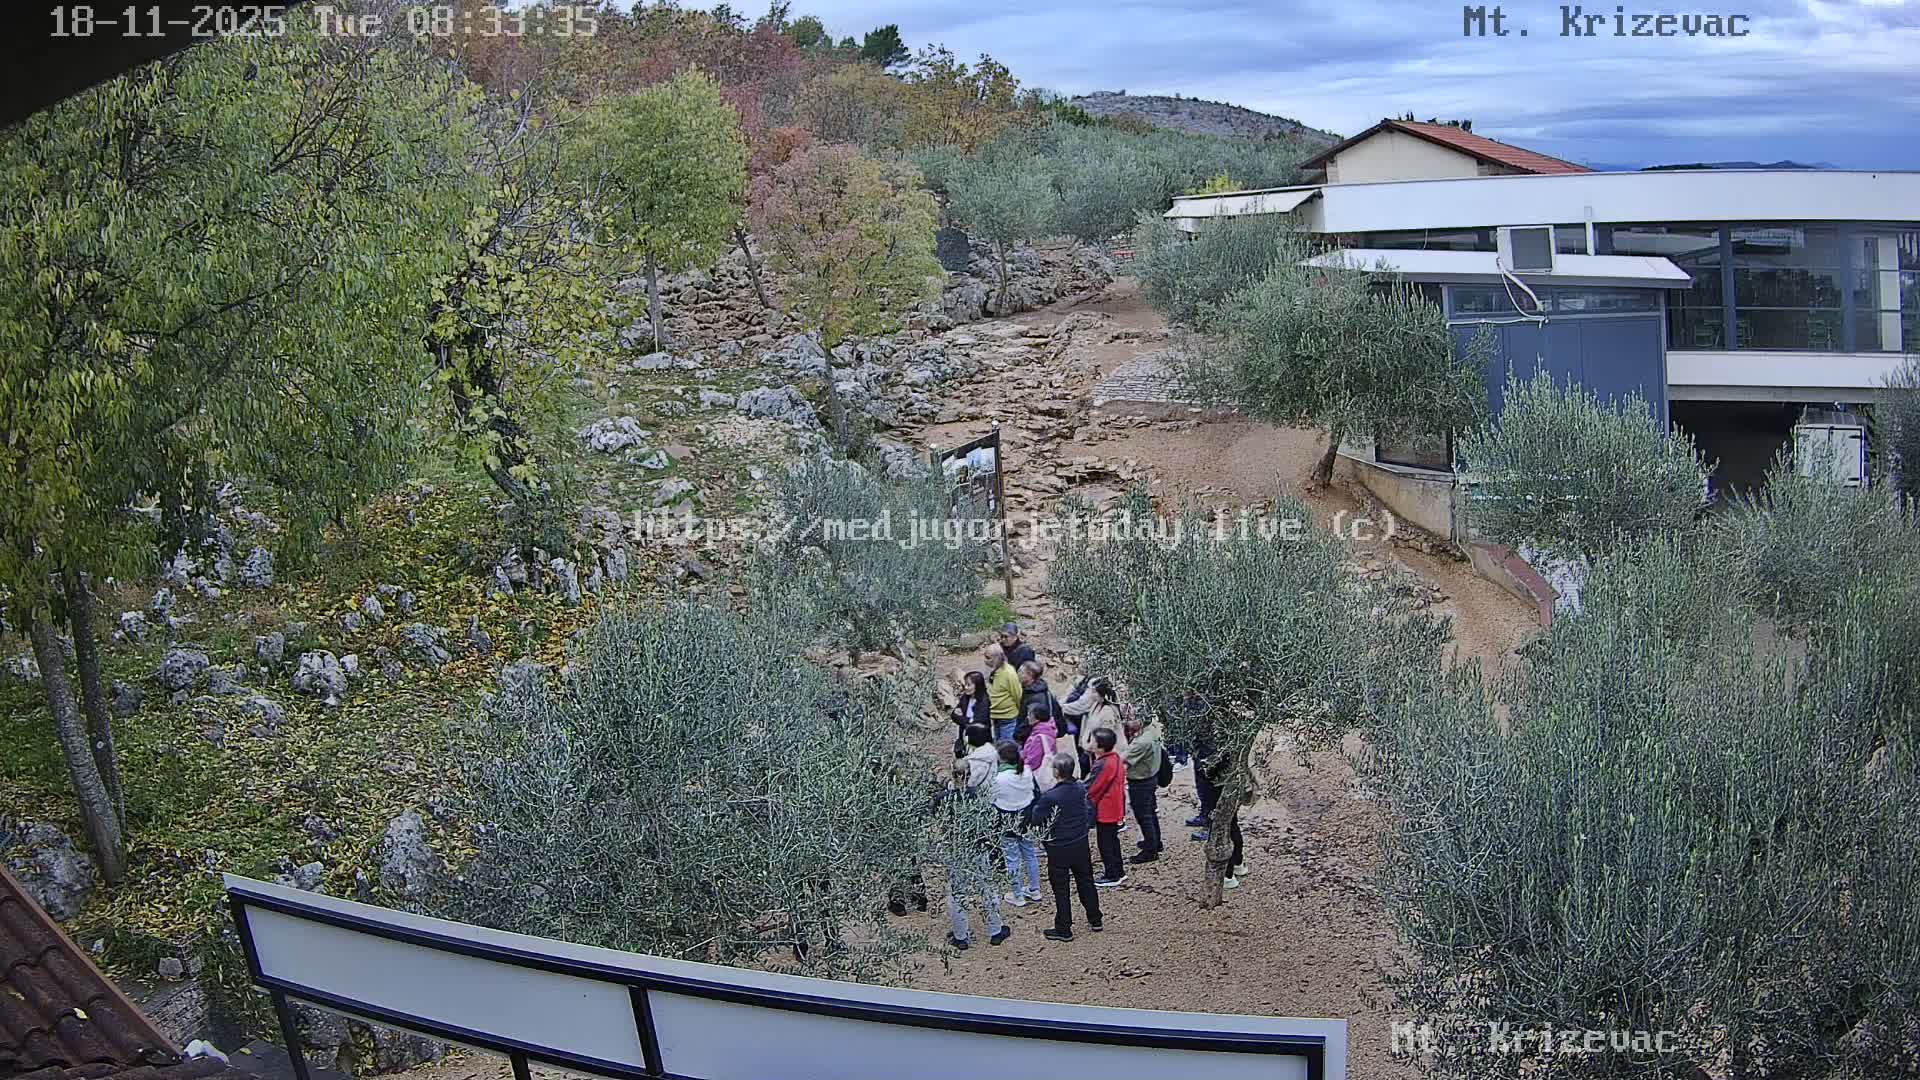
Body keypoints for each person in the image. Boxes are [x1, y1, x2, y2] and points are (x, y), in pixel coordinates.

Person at [1022, 751, 1103, 941]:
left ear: (1057, 772)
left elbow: (1036, 819)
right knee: (1086, 881)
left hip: (1059, 847)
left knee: (1061, 888)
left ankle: (1064, 928)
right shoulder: (1081, 788)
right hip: (1080, 841)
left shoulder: (1050, 797)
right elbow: (1091, 809)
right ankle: (1095, 918)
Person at [941, 760, 1011, 949]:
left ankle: (960, 935)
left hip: (956, 850)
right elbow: (992, 823)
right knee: (987, 888)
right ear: (970, 773)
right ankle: (995, 930)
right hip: (979, 849)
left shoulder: (944, 798)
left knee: (958, 893)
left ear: (952, 773)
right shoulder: (980, 796)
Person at [990, 741, 1044, 906]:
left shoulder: (998, 778)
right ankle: (1035, 890)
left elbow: (992, 799)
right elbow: (1036, 793)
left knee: (1012, 858)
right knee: (1030, 854)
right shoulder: (1026, 771)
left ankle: (1017, 894)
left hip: (1006, 820)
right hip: (1026, 817)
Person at [1086, 728, 1127, 886]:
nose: (1091, 744)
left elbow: (1093, 787)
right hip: (1115, 805)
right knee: (1112, 840)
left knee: (1105, 843)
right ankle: (1119, 870)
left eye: (1093, 741)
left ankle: (1112, 874)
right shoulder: (1115, 757)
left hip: (1106, 809)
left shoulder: (1103, 763)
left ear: (1100, 746)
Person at [1122, 713, 1166, 863]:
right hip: (1150, 778)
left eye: (1132, 719)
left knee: (1144, 816)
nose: (1128, 721)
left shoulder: (1141, 742)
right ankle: (1155, 842)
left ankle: (1150, 851)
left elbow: (1122, 758)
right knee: (1150, 812)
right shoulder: (1152, 732)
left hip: (1141, 782)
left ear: (1141, 721)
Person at [1062, 676, 1124, 776]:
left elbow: (1105, 738)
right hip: (1090, 749)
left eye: (1094, 692)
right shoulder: (1095, 705)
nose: (1091, 694)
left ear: (1102, 694)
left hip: (1098, 752)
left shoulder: (1108, 712)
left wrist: (1089, 748)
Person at [983, 643, 1022, 743]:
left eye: (987, 657)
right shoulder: (994, 670)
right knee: (999, 746)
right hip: (996, 717)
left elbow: (1017, 695)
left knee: (1008, 749)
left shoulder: (1009, 673)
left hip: (1008, 718)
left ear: (996, 658)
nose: (985, 660)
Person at [951, 670, 991, 758]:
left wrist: (963, 719)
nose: (965, 687)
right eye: (965, 684)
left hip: (979, 742)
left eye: (969, 685)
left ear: (977, 686)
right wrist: (968, 720)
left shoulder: (984, 702)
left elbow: (978, 723)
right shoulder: (965, 698)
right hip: (963, 737)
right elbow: (954, 715)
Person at [1021, 703, 1060, 790]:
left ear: (1037, 718)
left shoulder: (1039, 736)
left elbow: (1033, 761)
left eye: (1030, 715)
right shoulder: (1048, 729)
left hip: (1037, 777)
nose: (1027, 717)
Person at [1017, 660, 1059, 740]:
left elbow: (1031, 720)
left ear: (1030, 676)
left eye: (1021, 672)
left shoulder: (1036, 697)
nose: (1018, 674)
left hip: (1033, 738)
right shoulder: (1030, 690)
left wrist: (1018, 734)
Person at [961, 723, 998, 792]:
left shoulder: (973, 761)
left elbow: (970, 783)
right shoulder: (991, 751)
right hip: (990, 791)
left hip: (977, 795)